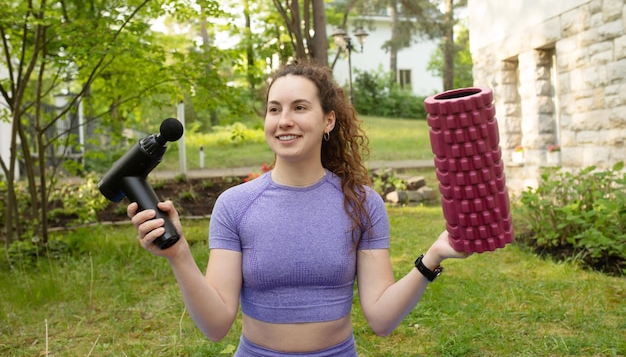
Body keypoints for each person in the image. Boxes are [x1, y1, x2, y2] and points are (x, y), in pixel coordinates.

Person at [129, 61, 469, 356]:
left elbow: (381, 318)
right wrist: (179, 255)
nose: (284, 120)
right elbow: (216, 326)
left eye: (300, 108)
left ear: (328, 120)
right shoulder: (234, 205)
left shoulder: (363, 204)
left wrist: (433, 257)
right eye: (274, 109)